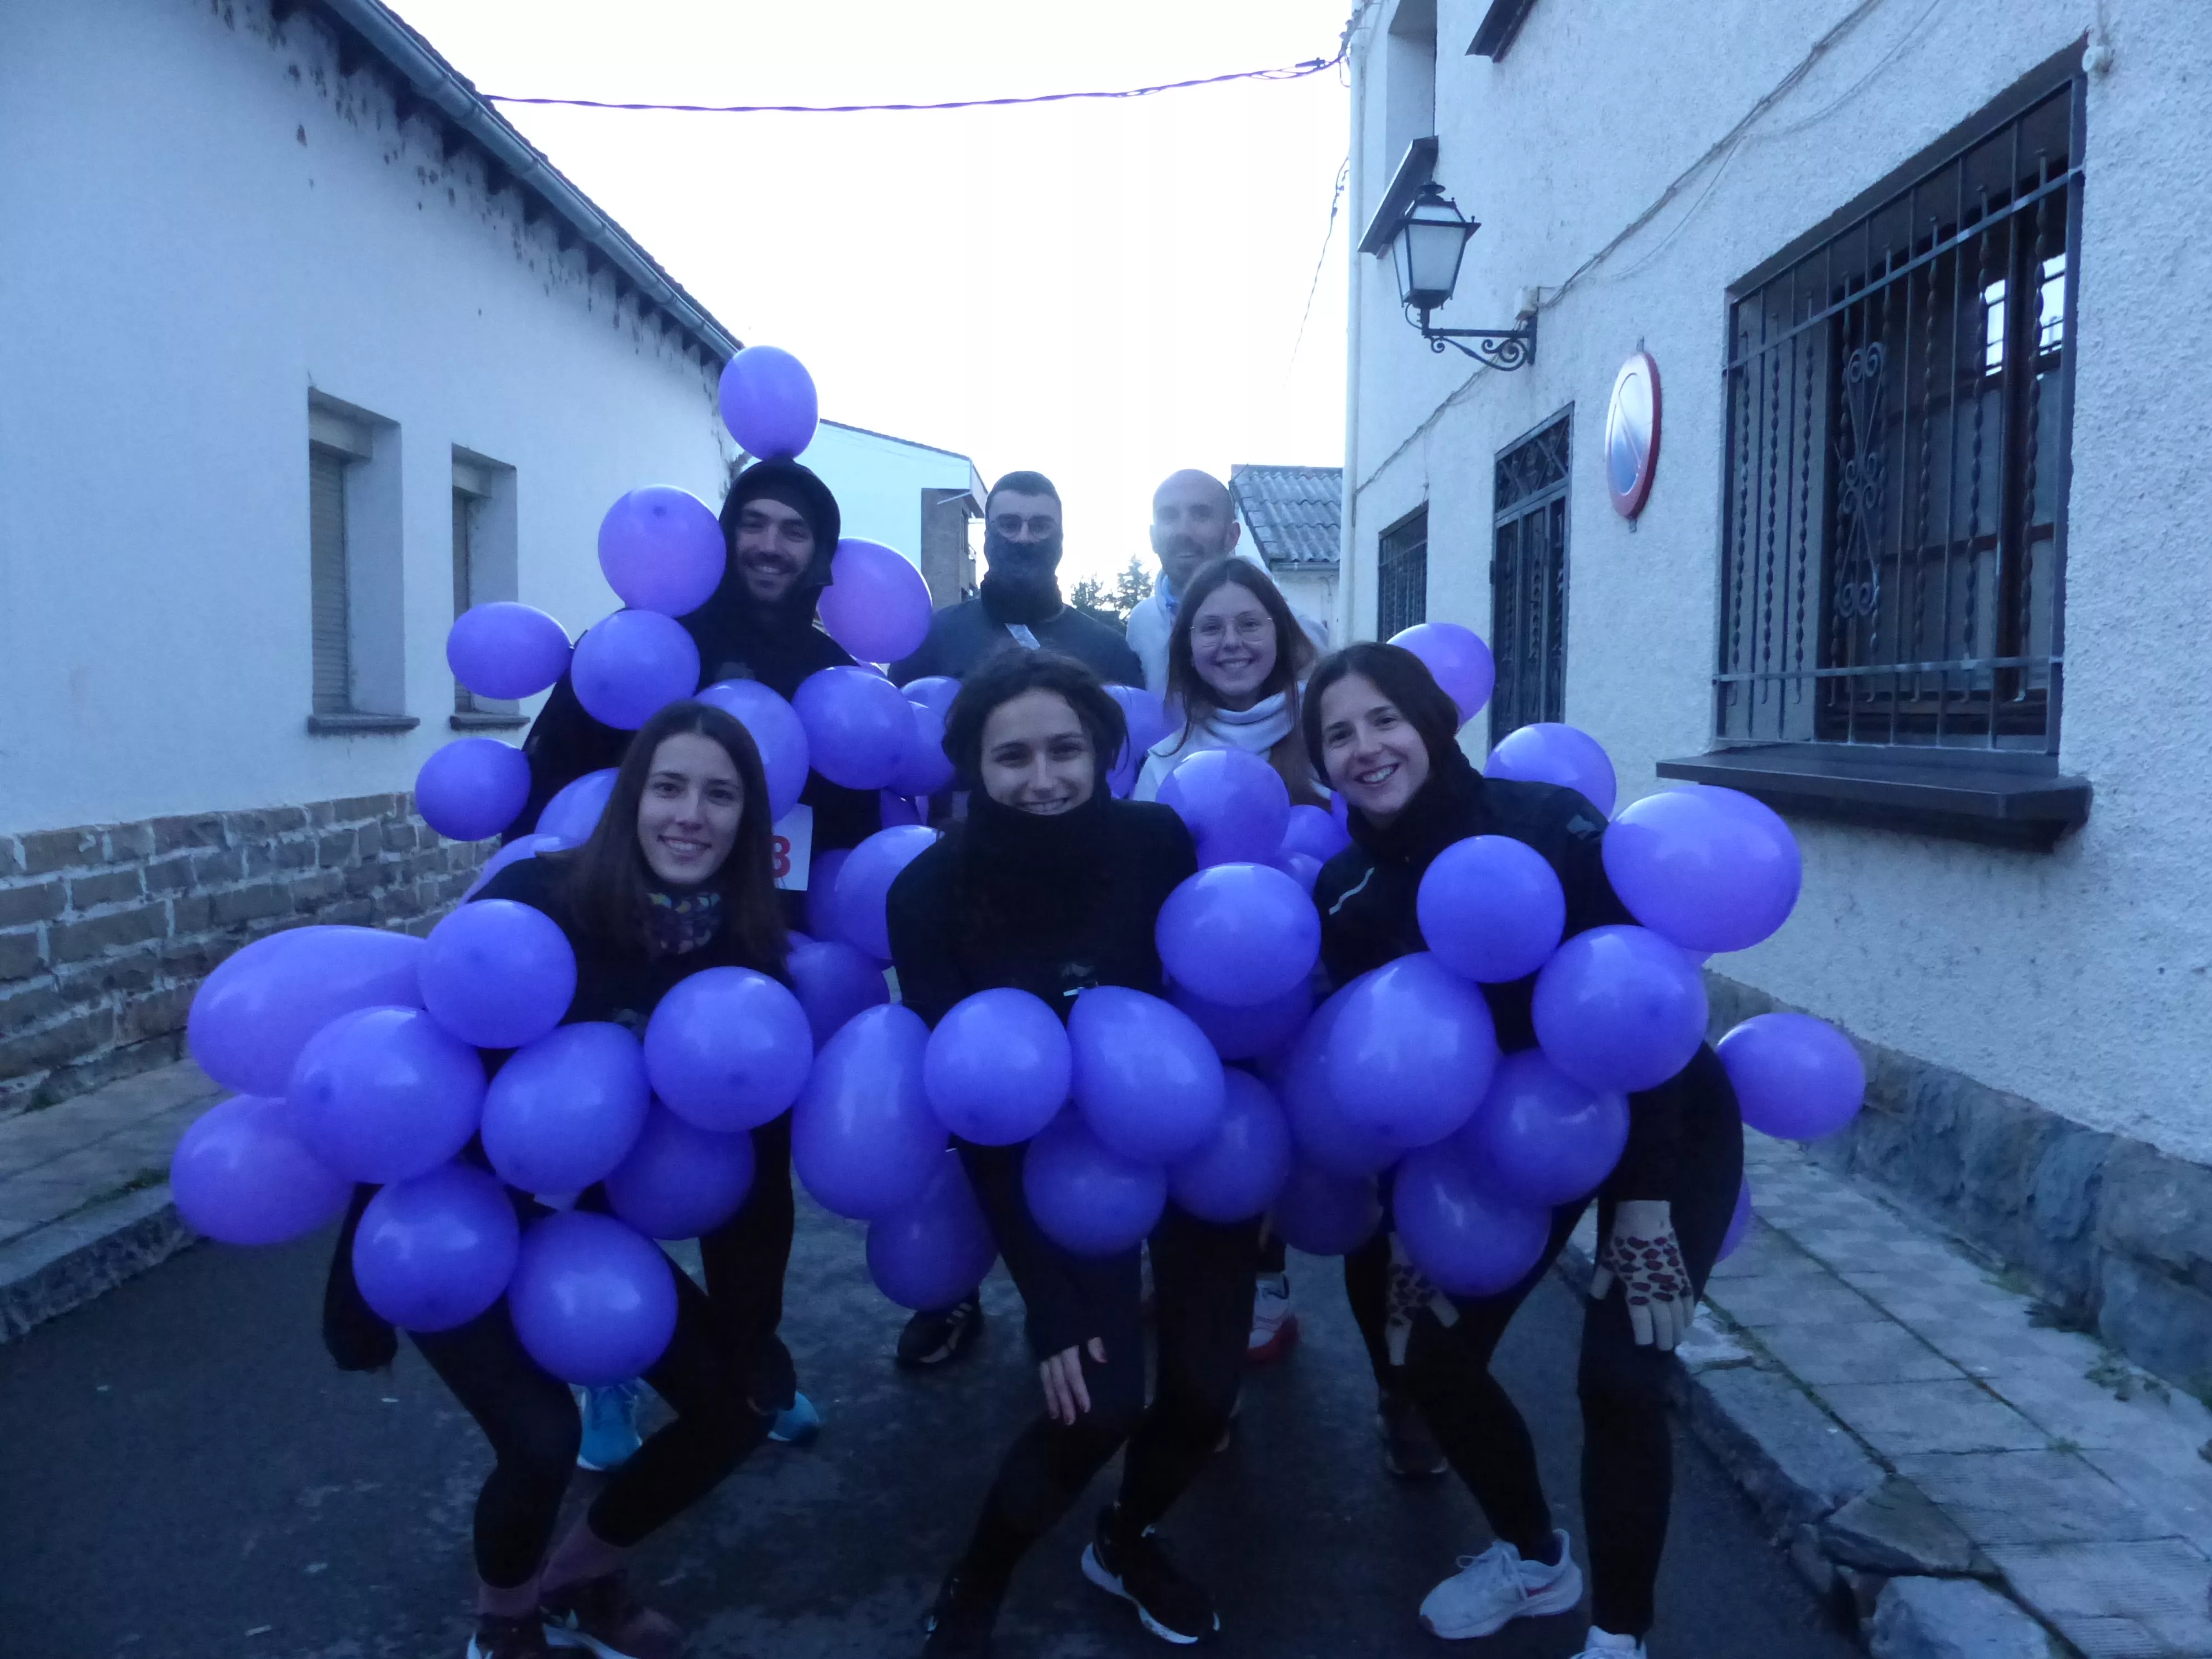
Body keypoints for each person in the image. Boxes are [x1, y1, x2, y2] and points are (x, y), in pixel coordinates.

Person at [322, 700, 795, 1659]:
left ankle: (580, 1578)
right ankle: (503, 1620)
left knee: (741, 1409)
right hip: (453, 1210)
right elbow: (414, 1092)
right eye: (668, 787)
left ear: (749, 822)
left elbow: (756, 1164)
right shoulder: (539, 902)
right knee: (538, 1441)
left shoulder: (743, 957)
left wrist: (752, 1333)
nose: (690, 814)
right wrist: (354, 1285)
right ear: (632, 800)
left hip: (582, 1228)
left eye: (719, 794)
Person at [1305, 643, 1744, 1659]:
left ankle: (1622, 1635)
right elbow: (1399, 1072)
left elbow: (1645, 1009)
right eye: (1338, 735)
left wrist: (1640, 1208)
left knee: (1623, 1376)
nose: (1366, 748)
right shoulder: (1344, 889)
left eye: (1384, 720)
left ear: (1429, 722)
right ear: (1321, 763)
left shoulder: (1548, 823)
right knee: (1433, 1356)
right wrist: (1418, 1224)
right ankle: (1535, 1560)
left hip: (1662, 1115)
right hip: (1508, 1142)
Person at [888, 653, 1259, 1655]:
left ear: (1102, 753)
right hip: (1059, 1168)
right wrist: (1046, 1301)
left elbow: (1215, 988)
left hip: (1189, 1133)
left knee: (1203, 1393)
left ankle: (1125, 1539)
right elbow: (975, 1109)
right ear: (971, 765)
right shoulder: (927, 895)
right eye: (1013, 757)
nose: (1042, 778)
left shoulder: (1156, 842)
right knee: (1095, 1406)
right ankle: (979, 1579)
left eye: (1067, 751)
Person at [512, 458, 873, 1463]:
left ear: (821, 557)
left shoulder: (832, 667)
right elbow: (552, 773)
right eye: (752, 524)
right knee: (602, 1148)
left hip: (755, 944)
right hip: (621, 939)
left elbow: (850, 818)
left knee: (751, 1177)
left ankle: (754, 1366)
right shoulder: (652, 636)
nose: (769, 544)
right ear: (724, 535)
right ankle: (607, 1374)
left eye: (792, 531)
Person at [890, 470, 1142, 688]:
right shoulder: (929, 642)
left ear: (1061, 540)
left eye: (1040, 526)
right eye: (1009, 524)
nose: (1024, 538)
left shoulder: (1110, 652)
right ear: (986, 537)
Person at [1131, 556, 1323, 808]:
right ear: (1188, 648)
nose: (1231, 641)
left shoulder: (1328, 740)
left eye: (1250, 624)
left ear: (1280, 636)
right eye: (1211, 628)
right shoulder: (1162, 769)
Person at [1124, 469, 1326, 697]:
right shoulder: (1143, 623)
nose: (1182, 531)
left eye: (1201, 515)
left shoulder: (1299, 634)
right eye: (1169, 516)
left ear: (1232, 534)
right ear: (1153, 538)